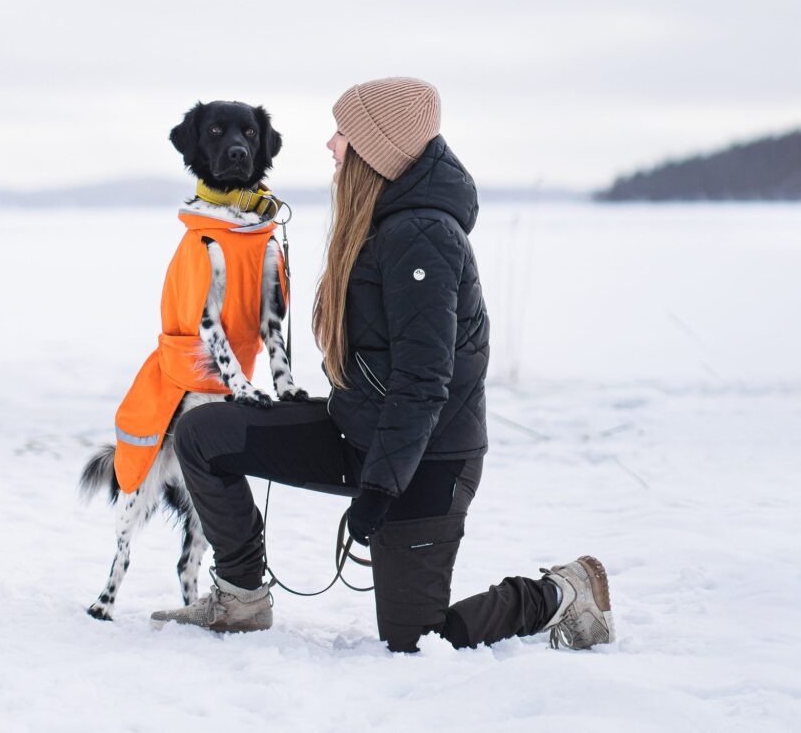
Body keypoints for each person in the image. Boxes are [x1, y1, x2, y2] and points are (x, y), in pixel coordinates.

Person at [151, 77, 614, 653]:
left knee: (414, 636)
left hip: (429, 460)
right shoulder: (382, 217)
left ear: (376, 149)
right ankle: (240, 597)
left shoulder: (422, 237)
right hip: (364, 432)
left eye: (342, 134)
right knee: (203, 433)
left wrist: (379, 490)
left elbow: (423, 384)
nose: (330, 145)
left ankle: (563, 593)